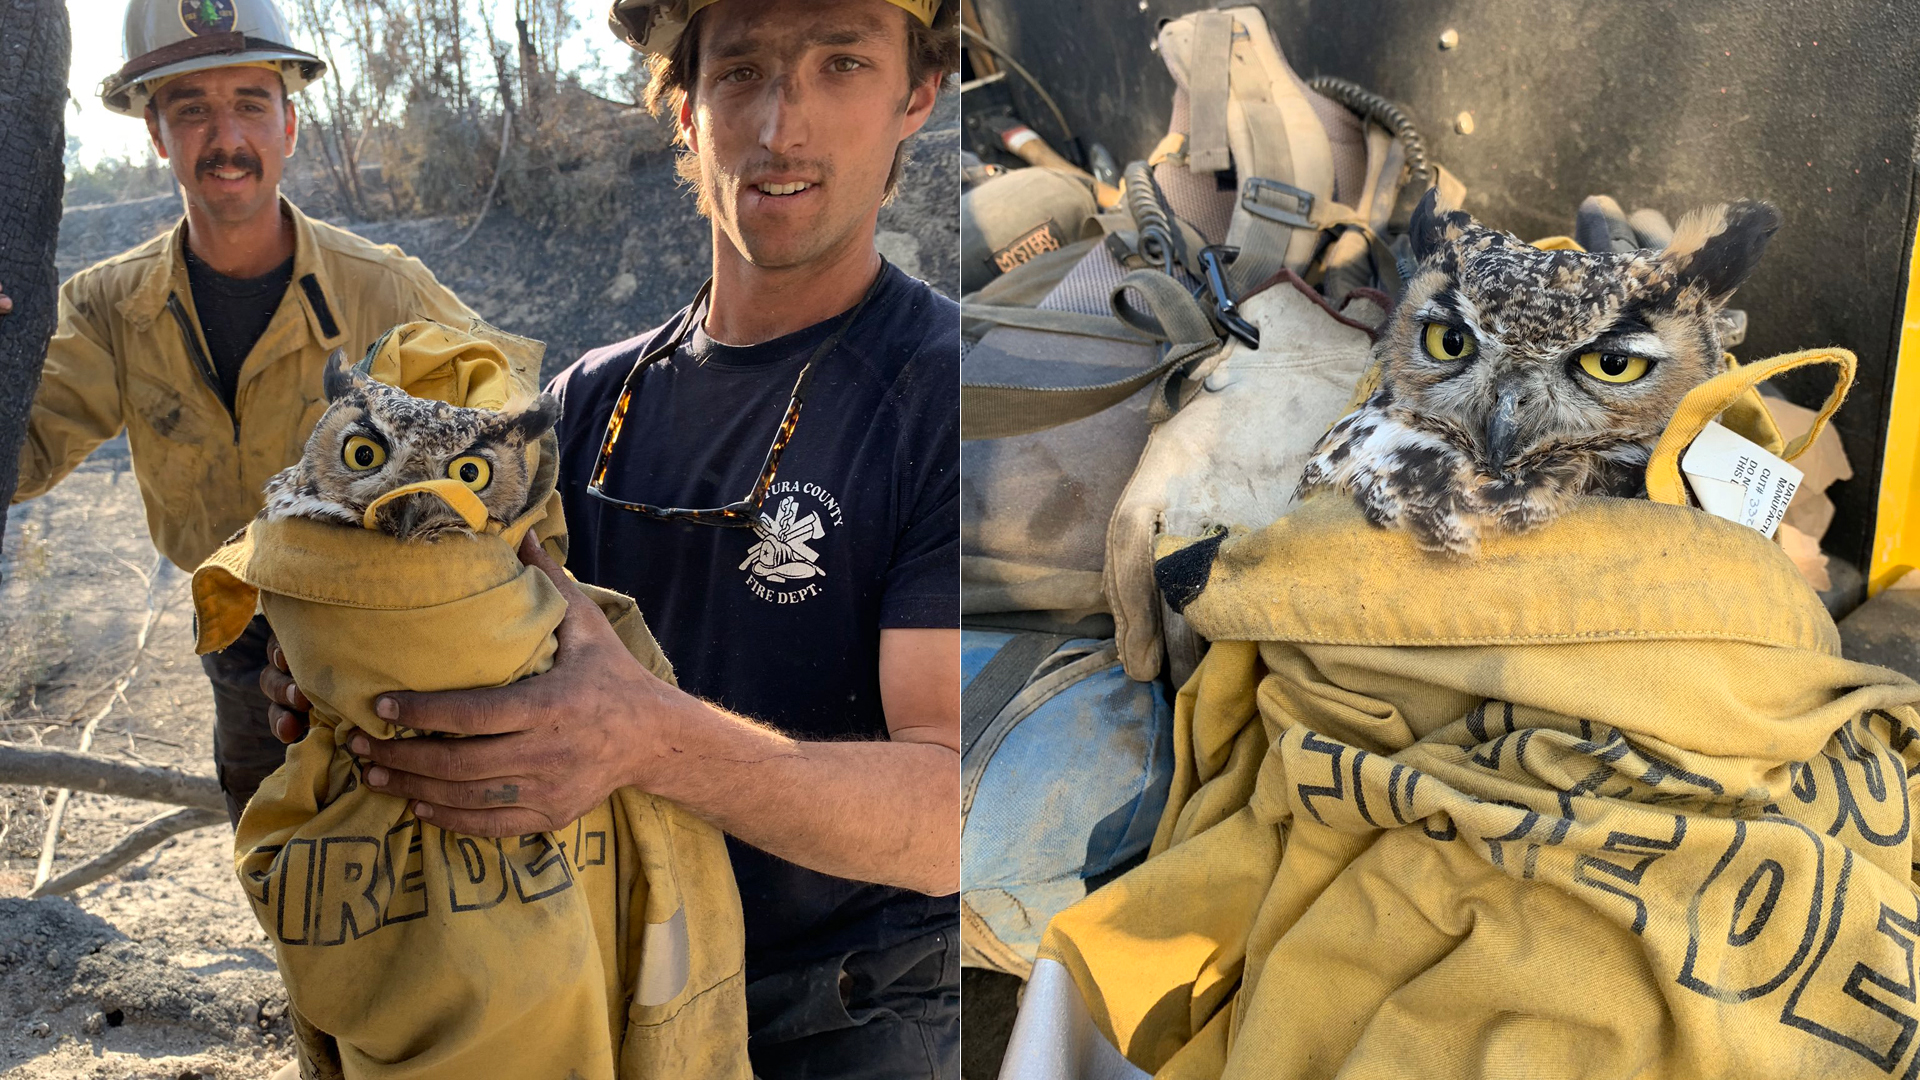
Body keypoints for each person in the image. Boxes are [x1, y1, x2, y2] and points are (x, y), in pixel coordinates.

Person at [260, 0, 962, 1075]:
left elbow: (946, 816)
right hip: (605, 964)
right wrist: (365, 676)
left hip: (843, 1009)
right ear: (685, 110)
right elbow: (509, 655)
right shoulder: (591, 399)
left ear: (916, 94)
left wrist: (651, 740)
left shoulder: (943, 393)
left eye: (841, 65)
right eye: (740, 72)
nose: (781, 126)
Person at [1, 0, 474, 824]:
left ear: (288, 125)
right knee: (278, 865)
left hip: (385, 644)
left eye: (250, 105)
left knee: (415, 867)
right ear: (156, 136)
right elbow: (24, 451)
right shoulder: (111, 307)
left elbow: (511, 440)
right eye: (192, 110)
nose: (225, 137)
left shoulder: (384, 291)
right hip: (235, 639)